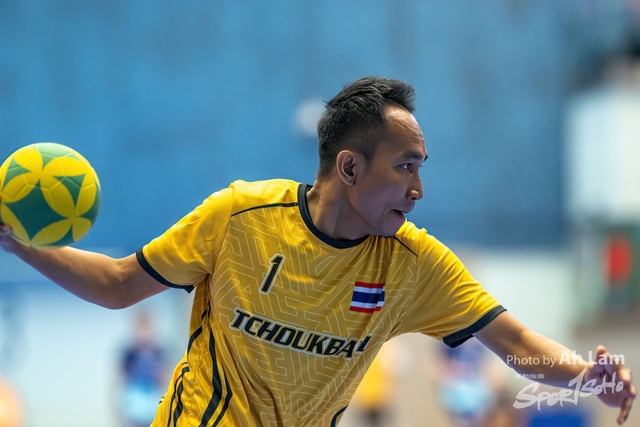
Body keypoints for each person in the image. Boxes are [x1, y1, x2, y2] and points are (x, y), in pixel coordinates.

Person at [0, 77, 635, 426]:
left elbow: (517, 343)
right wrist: (13, 240)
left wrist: (586, 375)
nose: (418, 189)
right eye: (406, 167)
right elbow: (118, 285)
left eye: (421, 168)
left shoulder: (413, 264)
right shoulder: (240, 217)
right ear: (350, 167)